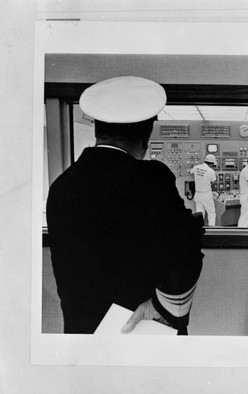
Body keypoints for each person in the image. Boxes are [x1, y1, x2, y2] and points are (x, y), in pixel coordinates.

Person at [46, 76, 204, 335]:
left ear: (97, 127)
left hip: (81, 337)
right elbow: (185, 255)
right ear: (147, 133)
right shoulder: (152, 178)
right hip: (143, 332)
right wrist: (163, 308)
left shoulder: (62, 186)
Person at [189, 154, 217, 226]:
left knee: (200, 215)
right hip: (206, 195)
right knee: (211, 214)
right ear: (211, 163)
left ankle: (199, 232)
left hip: (198, 195)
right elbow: (213, 182)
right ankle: (211, 233)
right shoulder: (210, 171)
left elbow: (190, 172)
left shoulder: (196, 167)